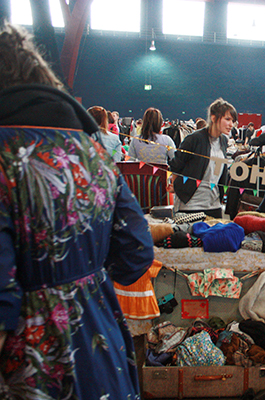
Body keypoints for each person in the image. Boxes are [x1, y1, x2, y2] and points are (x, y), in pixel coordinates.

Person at [0, 22, 154, 399]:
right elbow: (137, 250)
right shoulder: (95, 152)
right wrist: (81, 276)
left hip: (33, 368)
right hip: (101, 349)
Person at [169, 98, 236, 217]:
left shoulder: (224, 141)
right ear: (213, 118)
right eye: (227, 119)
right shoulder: (194, 139)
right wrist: (178, 188)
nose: (231, 124)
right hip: (190, 205)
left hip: (214, 205)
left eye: (232, 120)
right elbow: (176, 165)